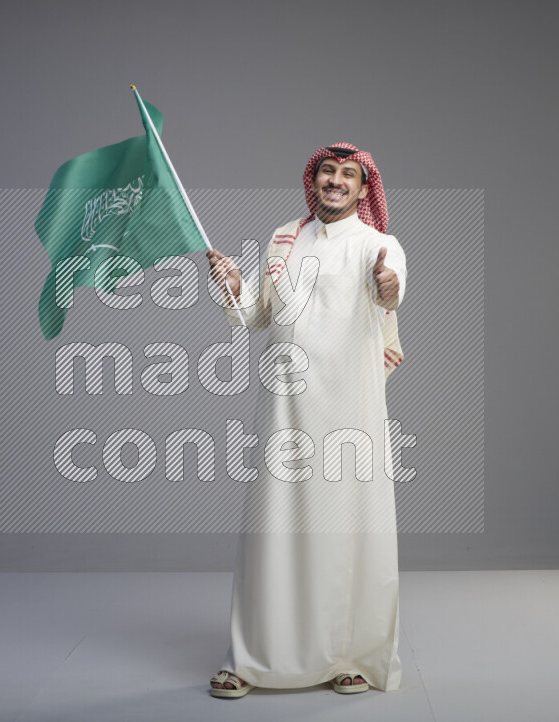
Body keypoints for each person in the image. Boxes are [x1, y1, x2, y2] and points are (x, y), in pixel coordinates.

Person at [206, 142, 407, 698]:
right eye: (327, 172)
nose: (336, 182)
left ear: (365, 189)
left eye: (348, 175)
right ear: (313, 180)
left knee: (346, 535)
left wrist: (388, 288)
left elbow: (391, 288)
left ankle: (349, 658)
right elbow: (255, 316)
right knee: (274, 534)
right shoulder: (283, 240)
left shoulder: (380, 245)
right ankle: (249, 660)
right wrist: (233, 284)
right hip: (286, 412)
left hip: (349, 414)